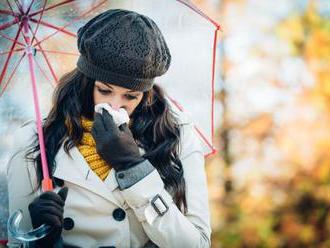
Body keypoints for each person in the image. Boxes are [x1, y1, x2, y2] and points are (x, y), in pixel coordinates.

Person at [6, 9, 211, 248]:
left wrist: (133, 169)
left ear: (145, 95)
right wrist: (40, 240)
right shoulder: (34, 140)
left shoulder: (177, 135)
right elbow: (16, 243)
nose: (115, 105)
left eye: (131, 96)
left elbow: (197, 244)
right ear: (86, 82)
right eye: (104, 90)